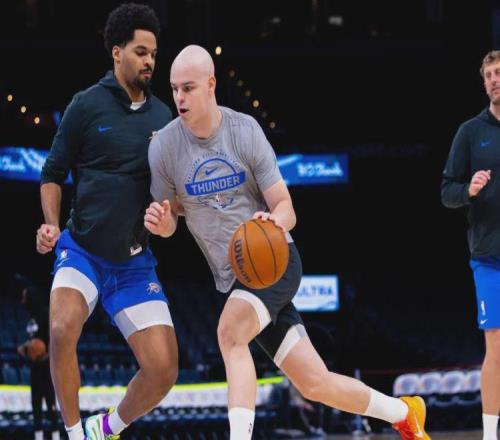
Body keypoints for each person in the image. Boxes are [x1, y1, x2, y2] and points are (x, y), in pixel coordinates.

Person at [145, 44, 430, 440]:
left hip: (275, 260)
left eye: (188, 88)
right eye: (174, 88)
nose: (179, 97)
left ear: (211, 85)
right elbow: (170, 219)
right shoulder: (163, 146)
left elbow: (286, 207)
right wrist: (162, 224)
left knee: (229, 333)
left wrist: (273, 221)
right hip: (235, 276)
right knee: (315, 382)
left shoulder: (245, 131)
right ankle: (404, 413)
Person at [36, 3, 177, 439]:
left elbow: (173, 199)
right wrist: (51, 224)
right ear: (117, 52)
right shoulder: (85, 105)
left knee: (164, 369)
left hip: (134, 264)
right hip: (82, 252)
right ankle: (74, 434)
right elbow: (52, 174)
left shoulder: (164, 119)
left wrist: (168, 218)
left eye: (154, 53)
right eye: (140, 52)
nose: (150, 61)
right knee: (61, 328)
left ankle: (105, 429)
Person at [442, 50, 500, 440]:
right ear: (483, 82)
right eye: (490, 74)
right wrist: (469, 190)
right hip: (489, 256)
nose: (495, 78)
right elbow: (447, 192)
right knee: (495, 344)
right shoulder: (469, 132)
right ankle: (490, 433)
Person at [17, 285, 60, 440]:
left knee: (50, 404)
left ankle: (55, 436)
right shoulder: (30, 317)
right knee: (35, 405)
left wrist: (46, 352)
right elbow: (33, 342)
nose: (22, 300)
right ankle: (38, 436)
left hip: (47, 366)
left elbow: (53, 338)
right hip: (35, 367)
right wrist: (26, 348)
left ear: (31, 298)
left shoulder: (45, 314)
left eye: (24, 297)